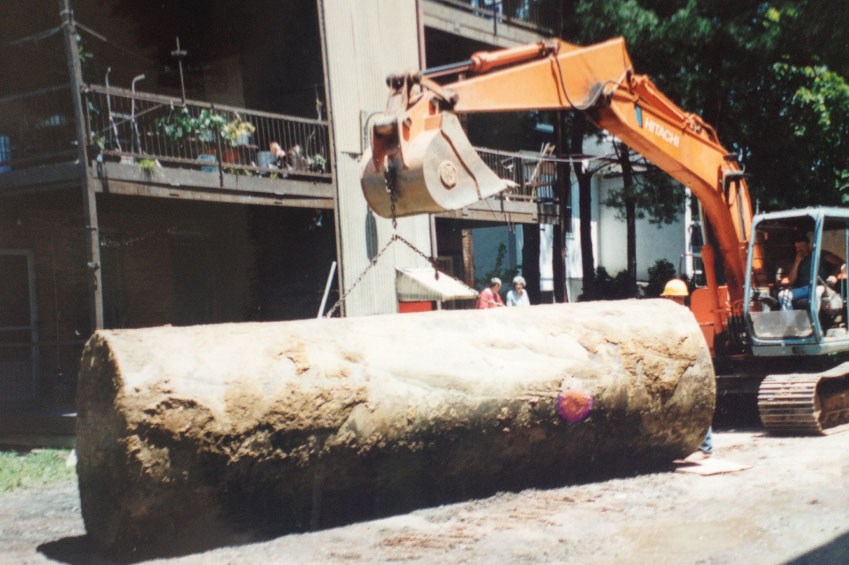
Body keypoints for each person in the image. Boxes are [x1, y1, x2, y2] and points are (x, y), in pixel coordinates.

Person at [661, 277, 713, 458]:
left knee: (696, 406)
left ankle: (705, 448)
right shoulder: (679, 316)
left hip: (688, 367)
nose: (668, 301)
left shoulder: (682, 317)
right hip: (682, 367)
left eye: (670, 298)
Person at [778, 232, 844, 310]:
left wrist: (834, 275)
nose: (799, 250)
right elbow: (791, 280)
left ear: (808, 245)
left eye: (801, 247)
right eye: (797, 248)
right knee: (782, 295)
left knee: (815, 293)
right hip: (804, 288)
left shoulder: (821, 254)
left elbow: (841, 263)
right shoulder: (798, 259)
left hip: (819, 286)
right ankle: (789, 321)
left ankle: (814, 319)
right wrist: (797, 262)